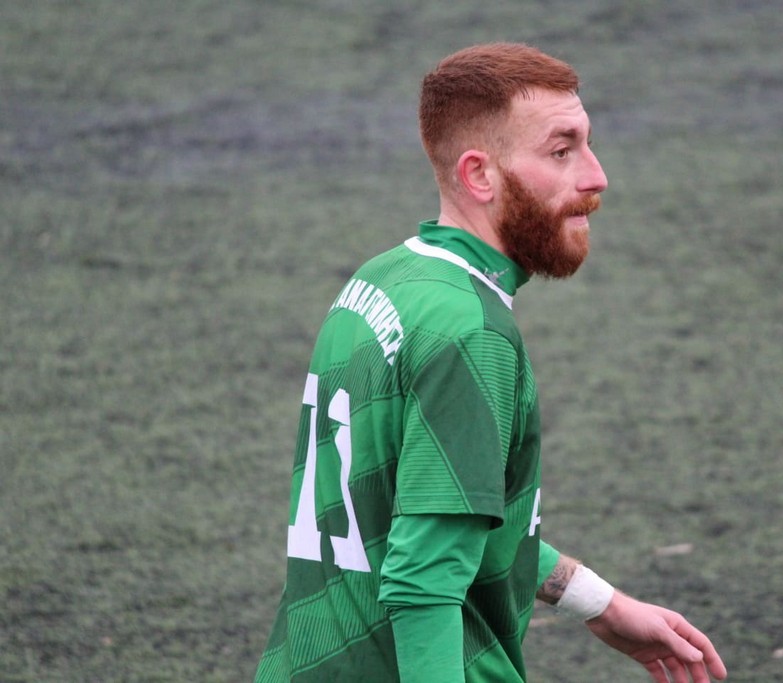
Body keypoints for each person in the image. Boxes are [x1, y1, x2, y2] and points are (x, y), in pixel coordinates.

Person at [254, 43, 727, 683]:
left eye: (587, 145)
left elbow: (439, 512)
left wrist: (601, 604)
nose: (596, 177)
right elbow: (423, 583)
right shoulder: (471, 333)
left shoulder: (381, 280)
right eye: (561, 152)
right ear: (480, 175)